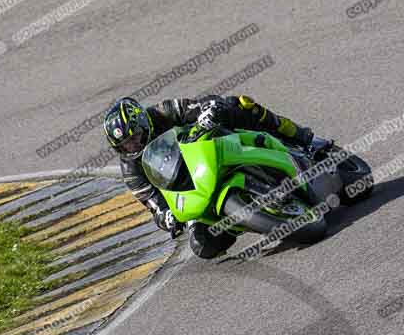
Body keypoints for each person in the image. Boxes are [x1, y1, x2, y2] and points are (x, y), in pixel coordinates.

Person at [102, 95, 321, 259]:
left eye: (135, 137)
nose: (132, 146)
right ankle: (242, 221)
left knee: (240, 105)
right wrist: (167, 218)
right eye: (124, 145)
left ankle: (304, 139)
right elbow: (154, 205)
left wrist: (207, 113)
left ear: (143, 123)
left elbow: (205, 103)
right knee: (202, 245)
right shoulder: (131, 170)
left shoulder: (163, 112)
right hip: (188, 188)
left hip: (206, 149)